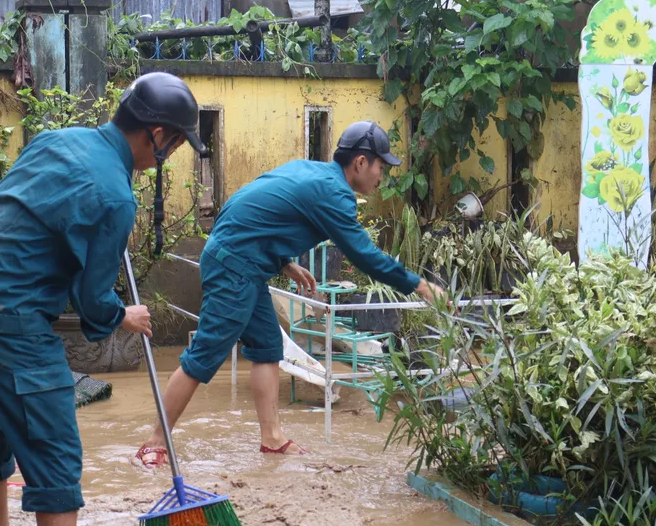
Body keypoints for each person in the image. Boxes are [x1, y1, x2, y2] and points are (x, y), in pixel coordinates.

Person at [0, 72, 208, 526]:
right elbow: (91, 304)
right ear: (155, 135)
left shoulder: (58, 140)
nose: (173, 154)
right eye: (177, 143)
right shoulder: (113, 195)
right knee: (57, 454)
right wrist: (122, 315)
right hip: (11, 320)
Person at [134, 120, 448, 466]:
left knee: (268, 347)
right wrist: (419, 284)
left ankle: (272, 439)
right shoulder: (335, 193)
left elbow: (250, 205)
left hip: (243, 264)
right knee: (205, 354)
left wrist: (284, 263)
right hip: (235, 267)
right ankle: (155, 442)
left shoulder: (312, 172)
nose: (381, 176)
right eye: (380, 167)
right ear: (360, 162)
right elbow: (364, 255)